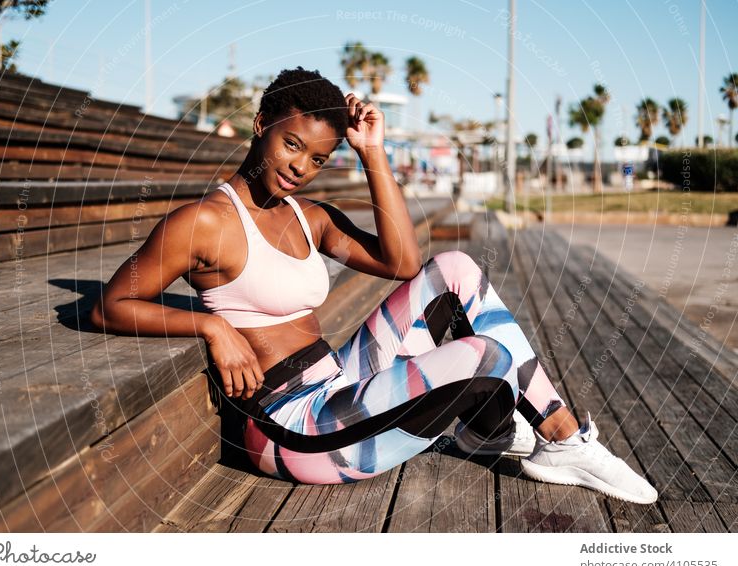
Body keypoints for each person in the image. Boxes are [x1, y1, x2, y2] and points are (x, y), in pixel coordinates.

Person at [90, 67, 658, 505]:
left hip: (337, 381)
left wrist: (371, 152)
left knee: (455, 267)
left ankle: (554, 438)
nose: (300, 168)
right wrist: (211, 324)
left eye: (317, 158)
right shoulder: (204, 222)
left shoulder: (307, 216)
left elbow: (405, 263)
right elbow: (109, 306)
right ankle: (536, 434)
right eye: (292, 145)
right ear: (261, 125)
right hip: (294, 431)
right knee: (484, 356)